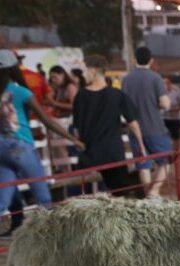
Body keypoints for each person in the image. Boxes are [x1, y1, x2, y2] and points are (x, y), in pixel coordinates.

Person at [0, 51, 84, 234]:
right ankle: (51, 234)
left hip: (1, 149)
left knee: (3, 199)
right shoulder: (21, 92)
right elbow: (47, 121)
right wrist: (74, 140)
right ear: (13, 68)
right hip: (20, 146)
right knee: (41, 193)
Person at [73, 54, 145, 197]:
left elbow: (76, 128)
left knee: (87, 197)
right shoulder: (116, 94)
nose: (83, 75)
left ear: (93, 71)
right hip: (113, 153)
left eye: (84, 71)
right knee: (120, 194)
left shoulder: (80, 96)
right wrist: (141, 146)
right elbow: (133, 123)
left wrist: (78, 142)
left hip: (90, 156)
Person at [122, 46, 173, 199]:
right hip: (155, 127)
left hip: (134, 129)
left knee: (143, 165)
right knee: (165, 161)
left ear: (134, 59)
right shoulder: (155, 78)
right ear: (151, 60)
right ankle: (154, 191)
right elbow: (165, 104)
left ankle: (147, 195)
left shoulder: (126, 79)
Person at [162, 75, 180, 144]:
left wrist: (175, 108)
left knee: (176, 137)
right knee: (164, 137)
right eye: (163, 83)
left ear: (170, 83)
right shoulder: (159, 91)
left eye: (166, 83)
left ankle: (176, 153)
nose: (165, 85)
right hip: (163, 118)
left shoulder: (177, 91)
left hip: (174, 118)